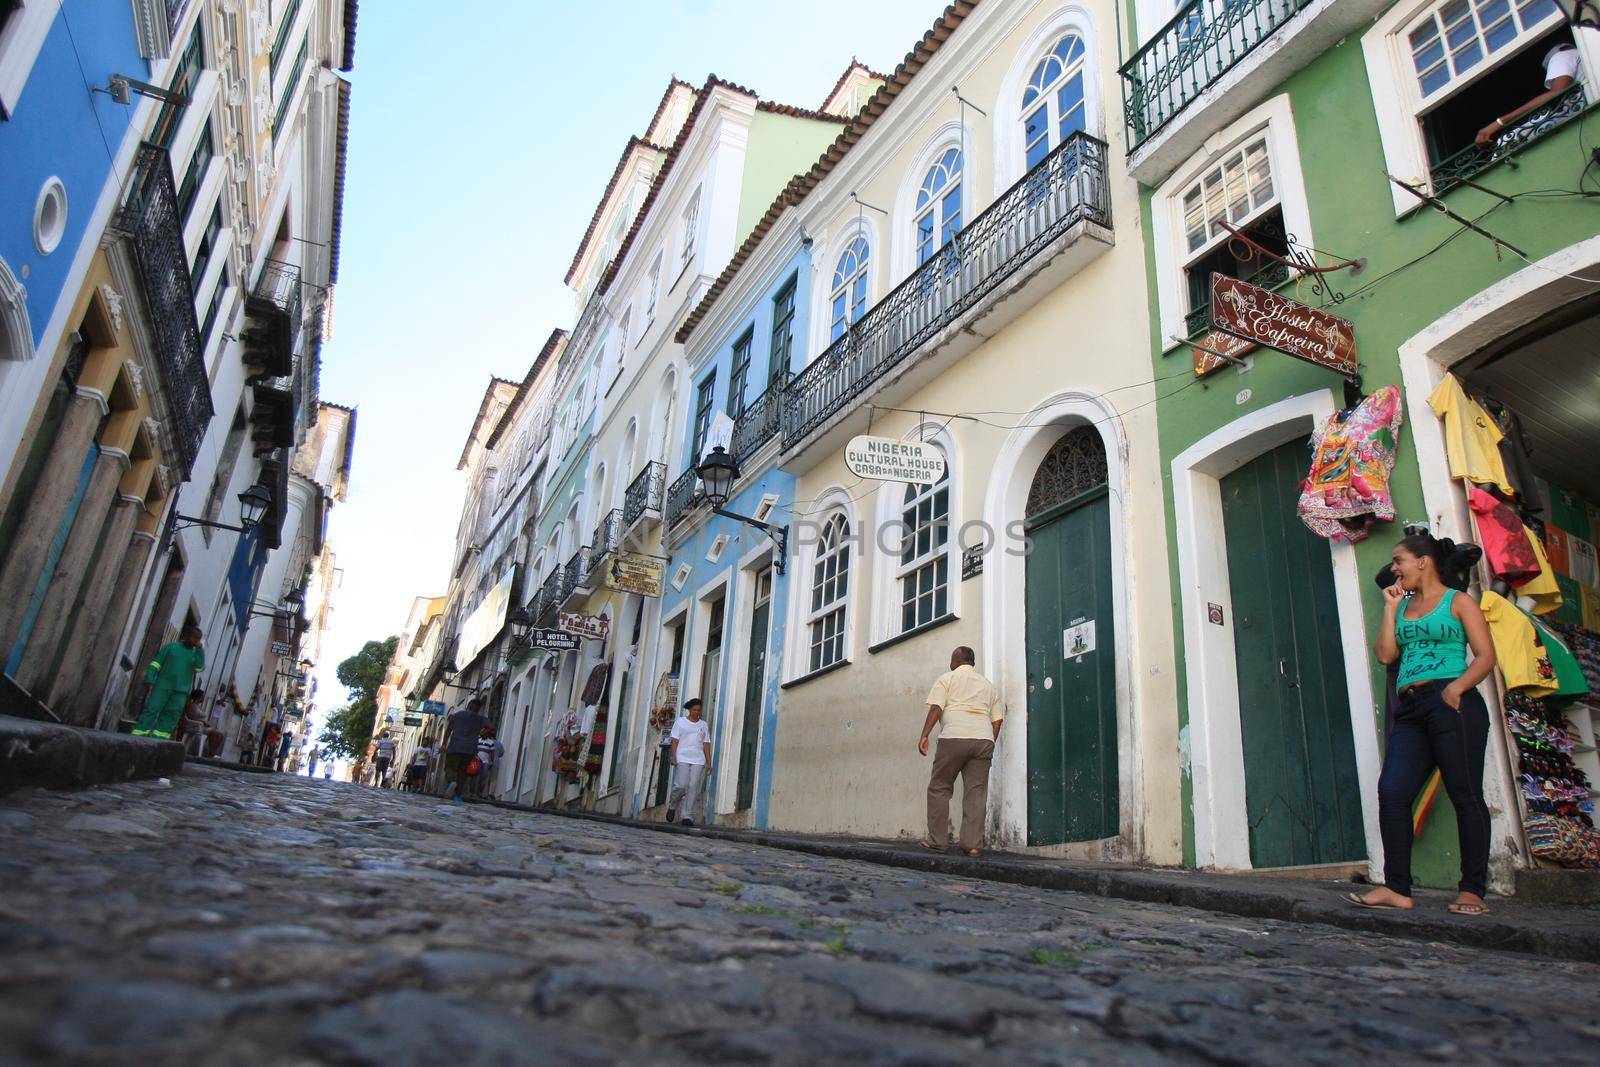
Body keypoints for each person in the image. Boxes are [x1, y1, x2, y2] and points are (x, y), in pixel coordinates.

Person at [1351, 533, 1497, 916]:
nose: (1394, 569)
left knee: (1464, 793)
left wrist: (1457, 689)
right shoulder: (1400, 607)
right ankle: (1397, 887)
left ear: (1423, 562)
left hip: (1452, 701)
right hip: (1411, 710)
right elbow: (1385, 655)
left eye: (1399, 560)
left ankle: (1472, 890)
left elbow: (1485, 656)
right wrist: (1388, 609)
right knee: (1393, 791)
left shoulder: (1458, 601)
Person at [918, 646, 1003, 857]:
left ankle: (938, 842)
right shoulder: (988, 685)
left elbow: (936, 708)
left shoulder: (947, 679)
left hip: (954, 737)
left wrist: (925, 735)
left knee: (940, 787)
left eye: (951, 660)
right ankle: (972, 844)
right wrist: (989, 739)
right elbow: (997, 718)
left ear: (956, 660)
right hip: (983, 739)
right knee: (976, 792)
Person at [1475, 42, 1581, 148]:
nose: (1553, 79)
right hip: (1580, 108)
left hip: (1579, 110)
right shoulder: (1581, 57)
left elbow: (1556, 92)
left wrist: (1501, 121)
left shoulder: (1561, 56)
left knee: (1508, 139)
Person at [132, 625, 205, 739]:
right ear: (187, 635)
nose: (195, 640)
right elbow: (156, 663)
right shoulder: (171, 647)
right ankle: (139, 734)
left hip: (180, 691)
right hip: (162, 685)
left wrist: (200, 650)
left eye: (198, 638)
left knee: (172, 714)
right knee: (152, 708)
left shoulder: (195, 654)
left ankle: (159, 738)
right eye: (194, 637)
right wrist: (150, 678)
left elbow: (199, 667)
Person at [666, 698, 711, 826]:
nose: (697, 712)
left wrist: (709, 762)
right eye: (694, 710)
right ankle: (673, 804)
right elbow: (674, 739)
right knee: (681, 784)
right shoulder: (680, 722)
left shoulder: (703, 725)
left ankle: (687, 815)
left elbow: (706, 743)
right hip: (682, 756)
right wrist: (673, 755)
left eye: (699, 710)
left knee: (693, 786)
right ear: (689, 710)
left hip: (698, 758)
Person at [442, 696, 488, 801]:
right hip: (470, 749)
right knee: (463, 772)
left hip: (455, 746)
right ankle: (458, 796)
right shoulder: (481, 719)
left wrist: (444, 744)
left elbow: (449, 730)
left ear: (469, 706)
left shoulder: (457, 715)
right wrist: (481, 733)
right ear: (479, 709)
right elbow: (492, 726)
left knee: (450, 768)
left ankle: (451, 782)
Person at [473, 723, 506, 799]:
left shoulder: (488, 742)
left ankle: (483, 793)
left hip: (487, 762)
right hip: (495, 763)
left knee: (485, 778)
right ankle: (490, 794)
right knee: (493, 779)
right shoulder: (498, 743)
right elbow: (501, 753)